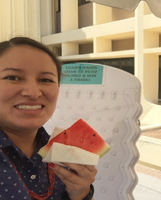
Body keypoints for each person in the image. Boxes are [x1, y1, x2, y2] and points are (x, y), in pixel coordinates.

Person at [0, 37, 96, 200]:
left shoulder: (61, 153)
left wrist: (80, 193)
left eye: (46, 80)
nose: (33, 92)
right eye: (13, 77)